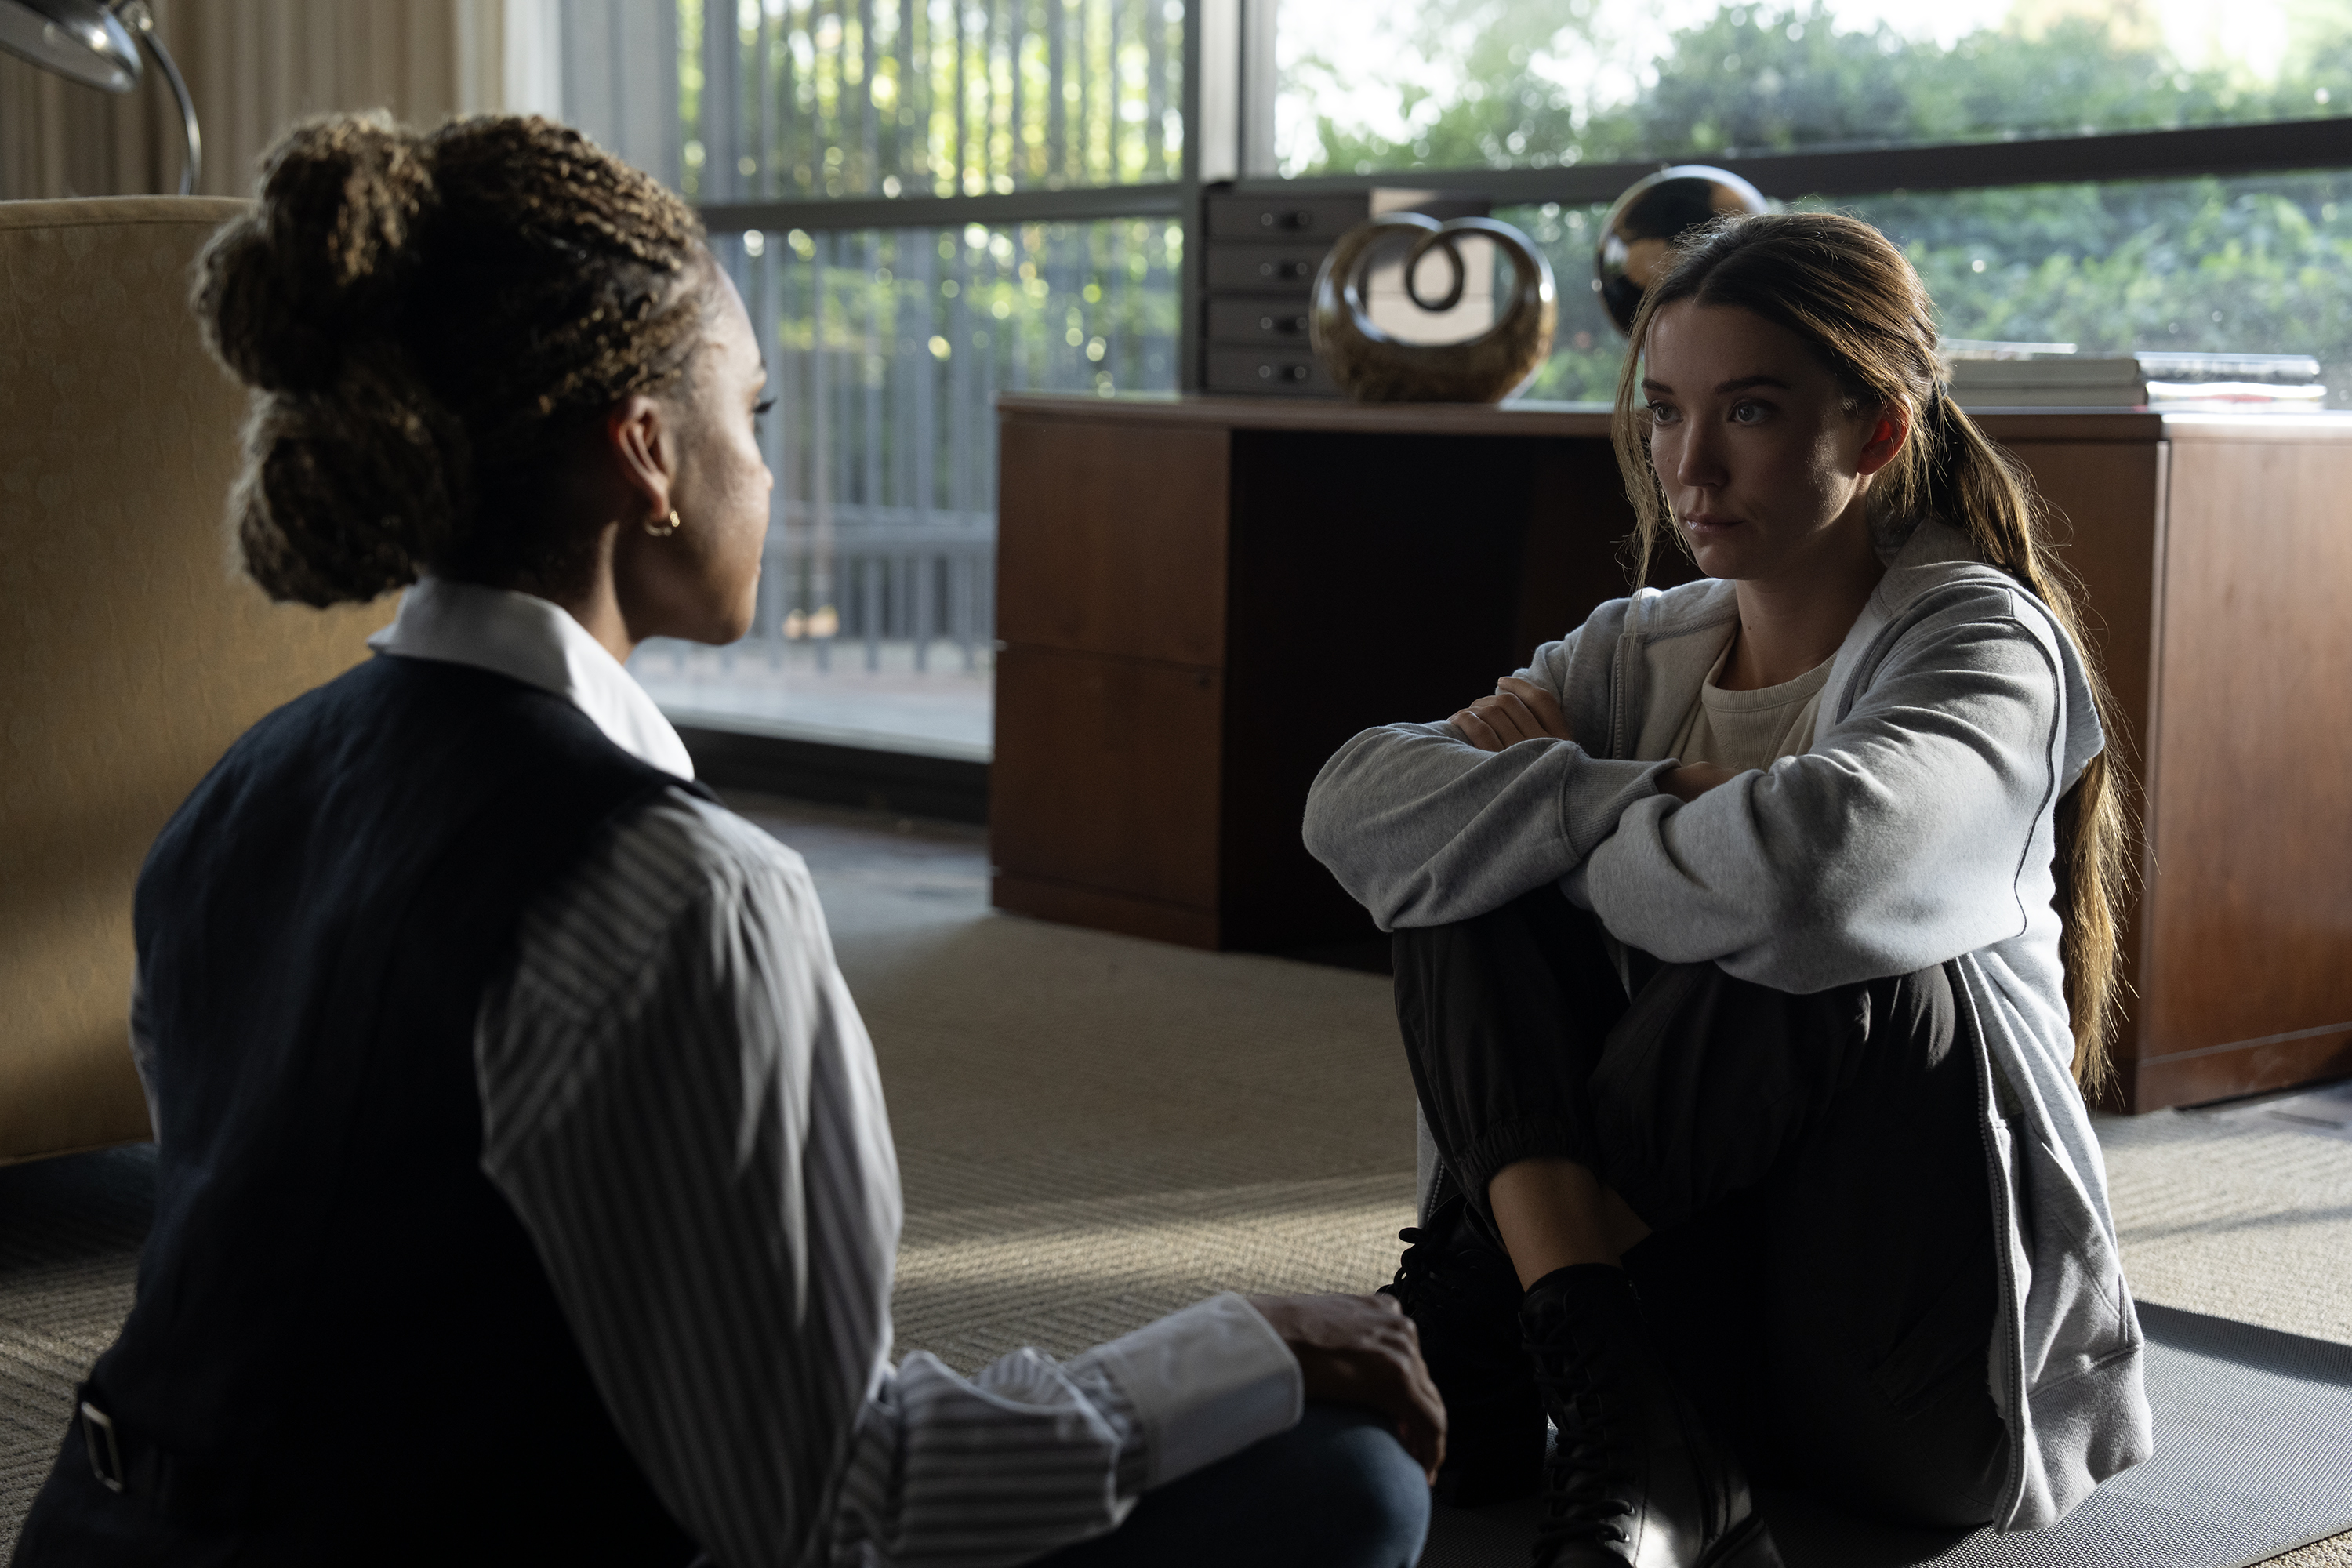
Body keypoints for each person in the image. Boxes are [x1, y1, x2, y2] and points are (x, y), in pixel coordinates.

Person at [12, 113, 1439, 1568]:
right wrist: (1234, 1344)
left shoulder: (238, 794)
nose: (768, 471)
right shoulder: (674, 886)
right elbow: (829, 1506)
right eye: (750, 416)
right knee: (1341, 1478)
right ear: (648, 453)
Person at [1303, 211, 2154, 1567]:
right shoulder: (1641, 649)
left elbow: (1826, 877)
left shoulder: (1986, 647)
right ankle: (1585, 1350)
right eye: (1664, 414)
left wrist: (1563, 798)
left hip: (1913, 1381)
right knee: (1460, 879)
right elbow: (1354, 810)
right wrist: (1625, 796)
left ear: (1877, 432)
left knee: (1856, 955)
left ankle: (1493, 1317)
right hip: (1665, 1336)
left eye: (1749, 412)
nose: (1689, 466)